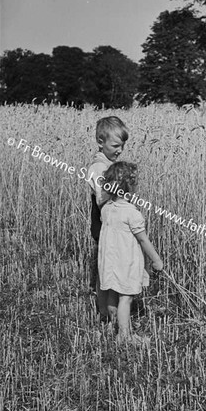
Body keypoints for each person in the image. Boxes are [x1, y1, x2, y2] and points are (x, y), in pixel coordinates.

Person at [98, 161, 163, 343]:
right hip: (125, 262)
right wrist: (156, 260)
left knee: (112, 293)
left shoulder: (106, 209)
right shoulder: (132, 213)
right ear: (130, 187)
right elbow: (143, 239)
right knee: (125, 298)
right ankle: (124, 335)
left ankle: (112, 326)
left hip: (109, 262)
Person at [87, 116, 129, 318]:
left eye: (122, 145)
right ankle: (105, 311)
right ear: (100, 143)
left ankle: (109, 311)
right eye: (115, 145)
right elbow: (102, 199)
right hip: (104, 225)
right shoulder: (98, 168)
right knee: (107, 270)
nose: (120, 150)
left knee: (110, 268)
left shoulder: (107, 165)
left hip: (111, 225)